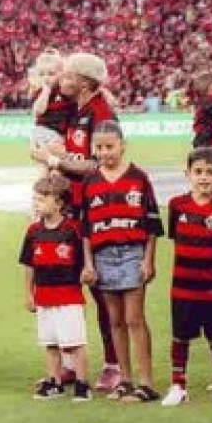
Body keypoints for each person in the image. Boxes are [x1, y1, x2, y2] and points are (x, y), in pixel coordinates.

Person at [32, 52, 122, 390]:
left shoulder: (99, 112)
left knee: (102, 292)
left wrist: (53, 159)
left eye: (67, 75)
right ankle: (69, 363)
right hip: (74, 207)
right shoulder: (78, 109)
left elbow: (96, 164)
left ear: (84, 82)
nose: (60, 80)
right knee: (67, 289)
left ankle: (114, 364)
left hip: (96, 211)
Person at [79, 121, 163, 402]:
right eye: (99, 147)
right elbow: (86, 230)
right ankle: (125, 380)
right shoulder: (90, 181)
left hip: (132, 254)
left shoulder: (138, 178)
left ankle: (146, 382)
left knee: (134, 319)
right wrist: (88, 264)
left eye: (109, 146)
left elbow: (152, 224)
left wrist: (149, 260)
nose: (104, 152)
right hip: (103, 257)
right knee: (114, 321)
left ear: (122, 145)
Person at [161, 148, 212, 409]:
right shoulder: (177, 205)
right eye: (198, 172)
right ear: (188, 174)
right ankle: (178, 386)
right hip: (182, 287)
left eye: (210, 172)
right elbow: (176, 237)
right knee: (180, 337)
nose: (204, 178)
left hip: (211, 288)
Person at [20, 174, 91, 401]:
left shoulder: (73, 229)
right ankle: (54, 382)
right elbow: (29, 265)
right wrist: (28, 293)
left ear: (59, 203)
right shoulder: (33, 231)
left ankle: (82, 383)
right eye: (35, 199)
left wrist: (88, 270)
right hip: (44, 297)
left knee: (74, 343)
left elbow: (84, 259)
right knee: (50, 343)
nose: (36, 203)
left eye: (42, 199)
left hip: (69, 296)